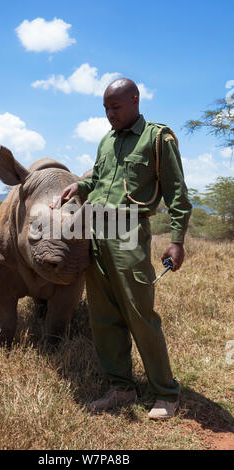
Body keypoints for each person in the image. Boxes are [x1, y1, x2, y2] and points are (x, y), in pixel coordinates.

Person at [51, 78, 192, 419]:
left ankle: (166, 394)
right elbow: (98, 181)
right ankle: (121, 388)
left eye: (115, 107)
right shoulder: (106, 141)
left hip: (128, 232)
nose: (110, 115)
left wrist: (177, 240)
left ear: (134, 100)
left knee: (140, 315)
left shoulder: (157, 139)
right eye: (105, 109)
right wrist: (77, 185)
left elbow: (177, 193)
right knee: (103, 316)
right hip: (95, 230)